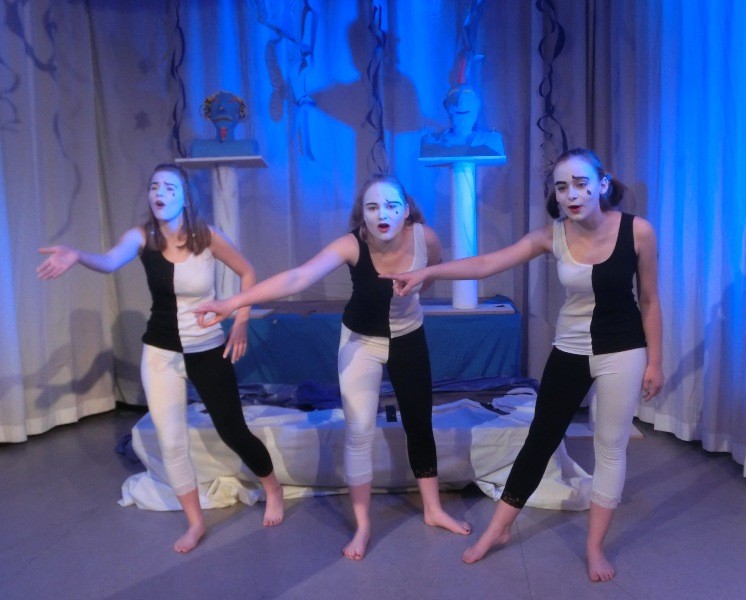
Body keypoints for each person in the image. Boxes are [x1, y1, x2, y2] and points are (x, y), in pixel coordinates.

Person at [385, 148, 663, 582]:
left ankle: (594, 547)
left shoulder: (638, 231)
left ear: (602, 184)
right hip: (570, 348)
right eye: (562, 187)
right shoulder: (552, 235)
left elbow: (649, 299)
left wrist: (655, 361)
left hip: (623, 350)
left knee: (610, 446)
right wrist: (427, 274)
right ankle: (498, 529)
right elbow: (487, 263)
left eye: (581, 183)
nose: (572, 194)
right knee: (540, 438)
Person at [195, 174, 471, 560]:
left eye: (392, 205)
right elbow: (298, 277)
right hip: (361, 342)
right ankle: (363, 526)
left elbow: (433, 270)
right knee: (359, 430)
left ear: (407, 210)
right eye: (372, 207)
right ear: (362, 215)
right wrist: (231, 303)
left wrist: (412, 297)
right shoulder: (351, 244)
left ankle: (433, 509)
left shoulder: (426, 238)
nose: (382, 214)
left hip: (409, 337)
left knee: (419, 422)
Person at [36, 163, 284, 553]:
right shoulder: (142, 237)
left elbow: (247, 272)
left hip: (207, 347)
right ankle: (195, 523)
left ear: (185, 196)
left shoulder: (207, 236)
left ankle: (273, 490)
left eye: (169, 187)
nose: (160, 193)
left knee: (233, 430)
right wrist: (78, 255)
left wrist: (241, 321)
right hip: (160, 351)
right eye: (154, 186)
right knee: (171, 440)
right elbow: (109, 261)